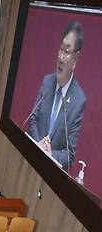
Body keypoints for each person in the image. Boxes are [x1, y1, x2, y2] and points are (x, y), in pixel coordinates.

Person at [27, 21, 86, 170]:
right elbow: (33, 119)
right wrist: (39, 144)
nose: (60, 57)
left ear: (75, 59)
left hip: (52, 174)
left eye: (66, 51)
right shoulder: (47, 82)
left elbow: (70, 155)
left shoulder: (78, 101)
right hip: (31, 164)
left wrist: (50, 153)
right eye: (60, 49)